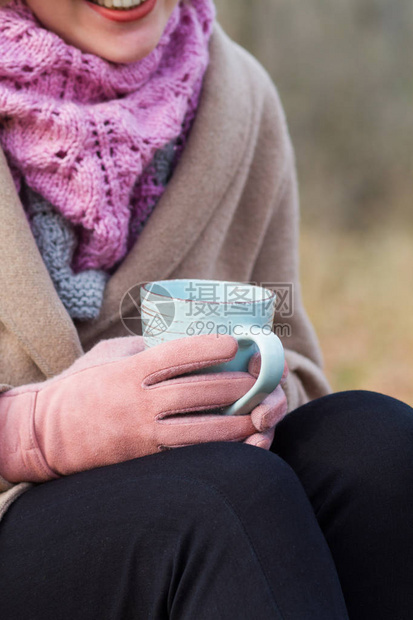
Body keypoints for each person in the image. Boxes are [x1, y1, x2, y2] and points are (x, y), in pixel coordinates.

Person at [0, 1, 411, 618]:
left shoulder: (237, 96)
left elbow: (291, 351)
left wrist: (258, 394)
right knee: (225, 500)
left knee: (378, 446)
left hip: (207, 478)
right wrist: (40, 431)